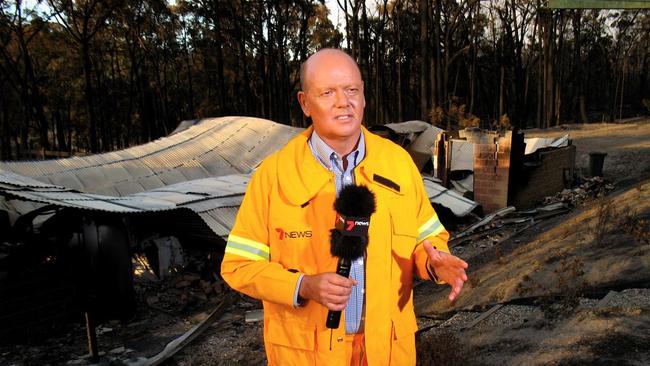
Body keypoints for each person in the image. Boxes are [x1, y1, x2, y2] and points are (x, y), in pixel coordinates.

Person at [221, 48, 468, 365]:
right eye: (327, 92)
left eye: (352, 90)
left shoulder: (398, 164)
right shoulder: (273, 177)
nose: (343, 101)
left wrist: (436, 261)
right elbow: (238, 266)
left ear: (363, 96)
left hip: (388, 350)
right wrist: (303, 286)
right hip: (308, 355)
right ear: (305, 103)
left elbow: (425, 237)